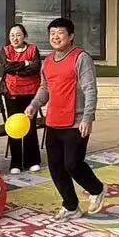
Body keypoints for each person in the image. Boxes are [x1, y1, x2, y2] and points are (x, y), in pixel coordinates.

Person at [27, 16, 104, 219]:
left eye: (60, 33)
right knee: (56, 167)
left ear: (71, 36)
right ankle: (71, 206)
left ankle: (96, 189)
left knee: (72, 164)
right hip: (54, 121)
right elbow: (45, 88)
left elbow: (90, 89)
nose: (55, 37)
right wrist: (34, 105)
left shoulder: (81, 58)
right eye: (52, 33)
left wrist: (88, 117)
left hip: (76, 121)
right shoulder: (47, 62)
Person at [0, 23, 43, 173]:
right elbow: (6, 67)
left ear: (24, 36)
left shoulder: (33, 49)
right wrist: (25, 63)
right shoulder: (5, 50)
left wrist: (16, 70)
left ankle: (33, 160)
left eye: (18, 35)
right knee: (14, 127)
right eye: (12, 35)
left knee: (30, 126)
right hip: (12, 94)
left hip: (31, 94)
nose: (15, 38)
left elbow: (35, 68)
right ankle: (16, 163)